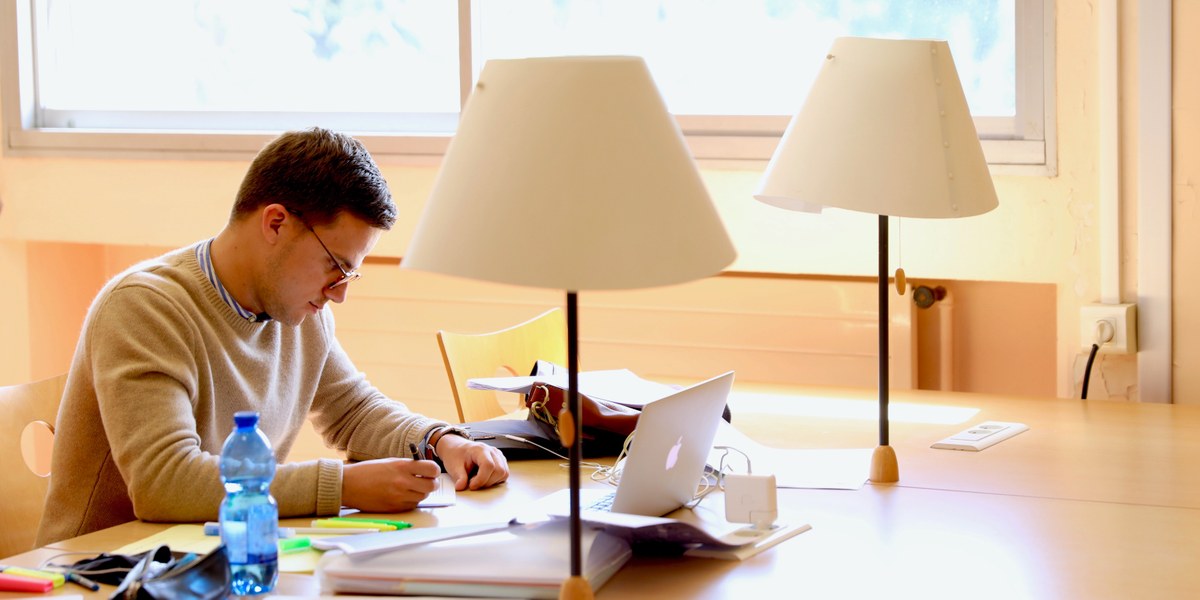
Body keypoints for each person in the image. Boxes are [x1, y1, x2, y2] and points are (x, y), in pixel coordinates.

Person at [37, 127, 508, 546]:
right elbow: (165, 481)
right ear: (276, 223)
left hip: (220, 559)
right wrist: (342, 487)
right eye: (335, 266)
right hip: (101, 572)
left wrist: (440, 442)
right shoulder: (145, 306)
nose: (339, 293)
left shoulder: (298, 311)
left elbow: (354, 410)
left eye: (350, 274)